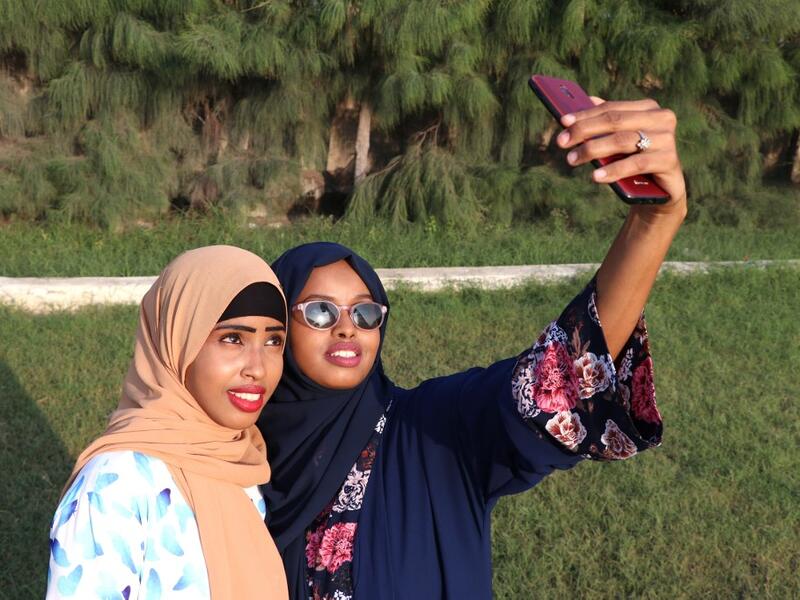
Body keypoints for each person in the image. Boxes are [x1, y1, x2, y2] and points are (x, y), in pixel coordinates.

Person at [258, 97, 687, 600]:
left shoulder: (431, 432)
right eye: (320, 312)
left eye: (368, 313)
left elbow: (557, 380)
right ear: (276, 328)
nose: (348, 328)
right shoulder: (234, 454)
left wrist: (653, 223)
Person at [47, 246, 290, 599]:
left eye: (273, 340)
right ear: (176, 341)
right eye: (232, 338)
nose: (258, 366)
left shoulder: (239, 464)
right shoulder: (118, 484)